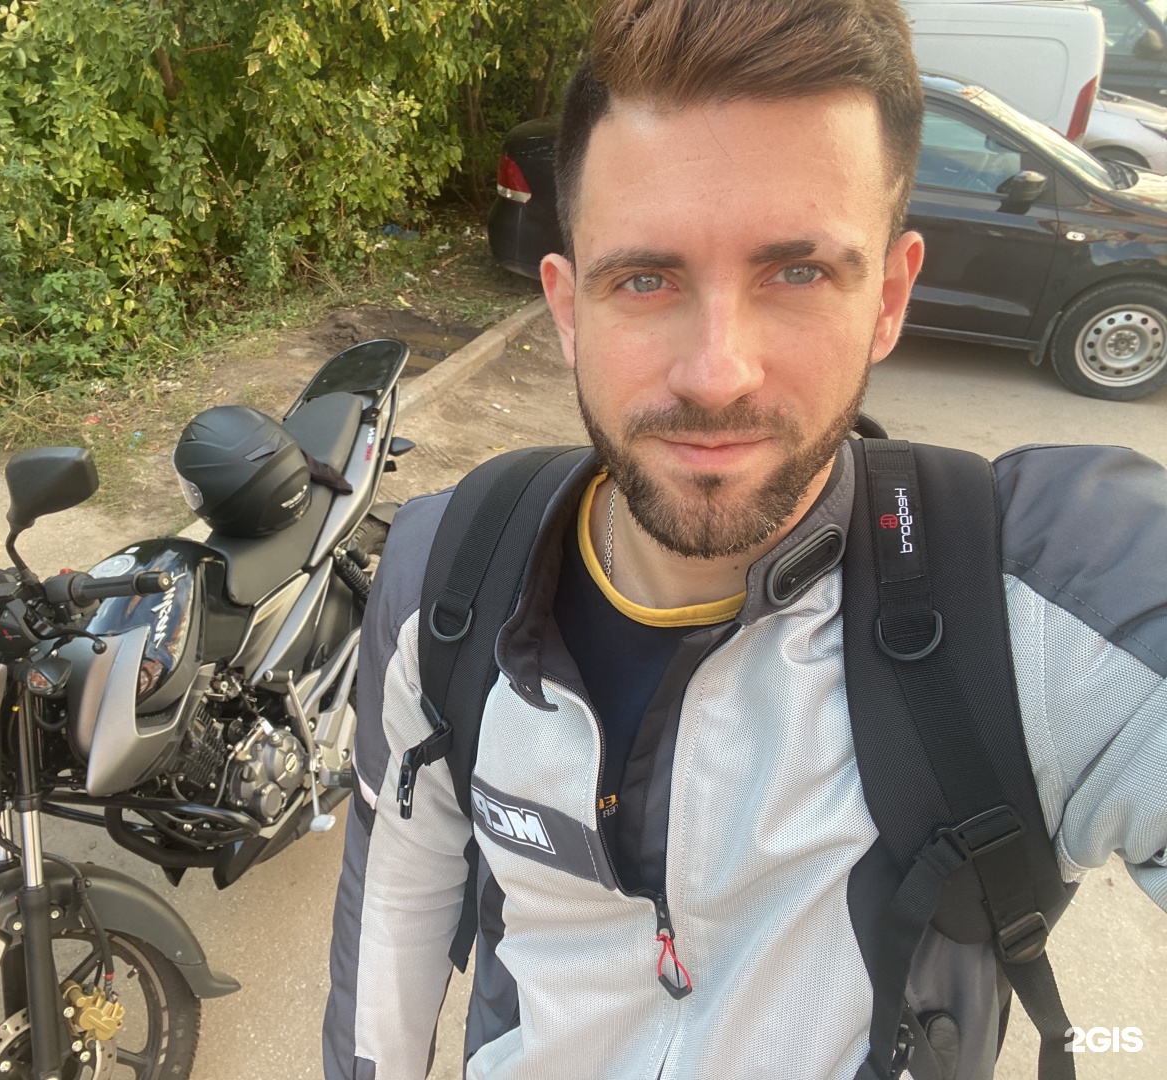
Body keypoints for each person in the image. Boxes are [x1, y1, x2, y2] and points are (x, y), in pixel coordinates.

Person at [322, 0, 1167, 1076]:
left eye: (798, 273)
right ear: (569, 308)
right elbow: (395, 903)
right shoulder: (448, 568)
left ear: (890, 297)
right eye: (645, 278)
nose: (717, 373)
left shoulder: (1037, 603)